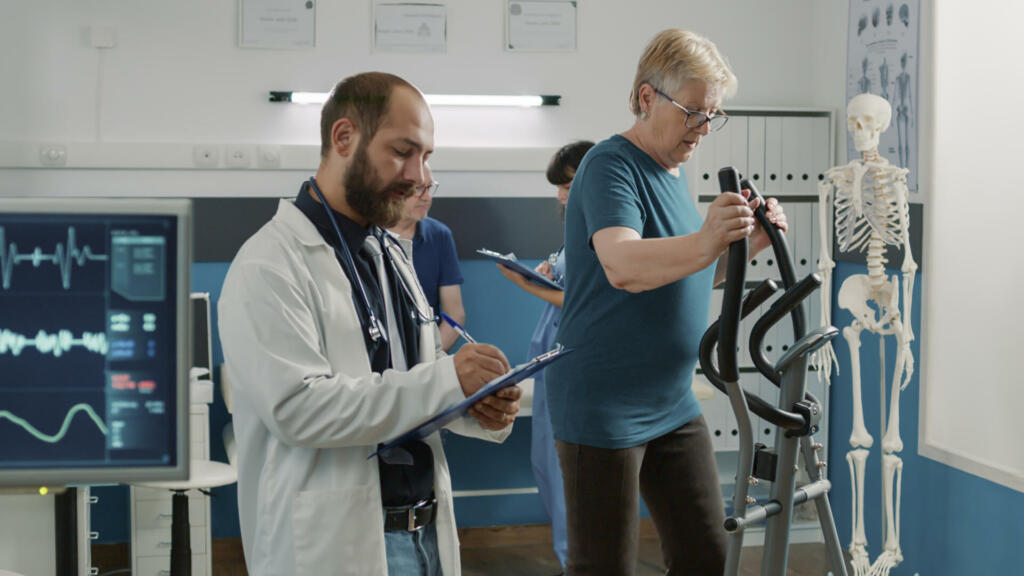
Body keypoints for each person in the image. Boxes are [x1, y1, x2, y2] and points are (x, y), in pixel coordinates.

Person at [218, 71, 522, 576]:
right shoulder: (269, 264)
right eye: (403, 151)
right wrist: (448, 379)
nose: (420, 175)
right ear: (344, 138)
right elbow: (300, 409)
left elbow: (411, 383)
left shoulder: (389, 255)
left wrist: (475, 405)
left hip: (425, 532)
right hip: (335, 544)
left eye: (426, 157)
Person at [544, 29, 788, 575]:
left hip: (672, 402)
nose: (703, 128)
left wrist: (750, 245)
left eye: (712, 114)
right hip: (603, 406)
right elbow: (624, 266)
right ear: (647, 96)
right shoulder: (610, 166)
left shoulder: (676, 172)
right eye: (693, 111)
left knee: (707, 556)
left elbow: (690, 272)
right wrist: (706, 239)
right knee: (603, 567)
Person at [497, 140, 594, 572]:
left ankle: (577, 563)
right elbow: (567, 283)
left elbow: (578, 300)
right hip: (554, 367)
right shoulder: (577, 231)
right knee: (548, 470)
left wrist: (524, 283)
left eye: (567, 185)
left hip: (576, 369)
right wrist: (547, 271)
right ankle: (570, 561)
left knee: (566, 479)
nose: (560, 195)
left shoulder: (604, 232)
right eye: (557, 186)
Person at [389, 165, 466, 351]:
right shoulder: (367, 236)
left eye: (429, 187)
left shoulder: (439, 235)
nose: (427, 197)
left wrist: (427, 360)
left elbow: (454, 314)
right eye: (417, 189)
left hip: (427, 350)